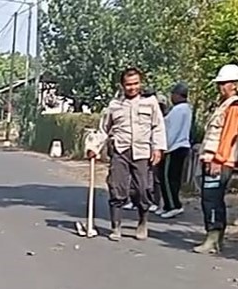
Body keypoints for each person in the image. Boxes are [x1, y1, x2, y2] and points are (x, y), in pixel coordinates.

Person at [97, 67, 167, 242]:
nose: (132, 88)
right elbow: (103, 129)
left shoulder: (150, 102)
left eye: (135, 83)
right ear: (122, 85)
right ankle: (116, 226)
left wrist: (158, 148)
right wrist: (94, 147)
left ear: (140, 83)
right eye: (128, 84)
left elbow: (158, 127)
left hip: (142, 152)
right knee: (117, 187)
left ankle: (142, 222)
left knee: (143, 190)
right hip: (120, 150)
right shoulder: (114, 105)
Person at [193, 64, 238, 255]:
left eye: (224, 83)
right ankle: (216, 239)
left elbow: (228, 135)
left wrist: (217, 160)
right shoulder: (224, 104)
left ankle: (212, 238)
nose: (220, 87)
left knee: (211, 199)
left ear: (234, 84)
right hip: (215, 160)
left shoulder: (234, 107)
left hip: (220, 162)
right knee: (214, 199)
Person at [158, 82, 194, 220]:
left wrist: (164, 147)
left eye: (173, 94)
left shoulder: (180, 110)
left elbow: (172, 131)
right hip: (180, 146)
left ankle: (174, 205)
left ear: (178, 95)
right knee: (172, 178)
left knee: (167, 178)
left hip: (174, 147)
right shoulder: (184, 109)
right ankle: (168, 205)